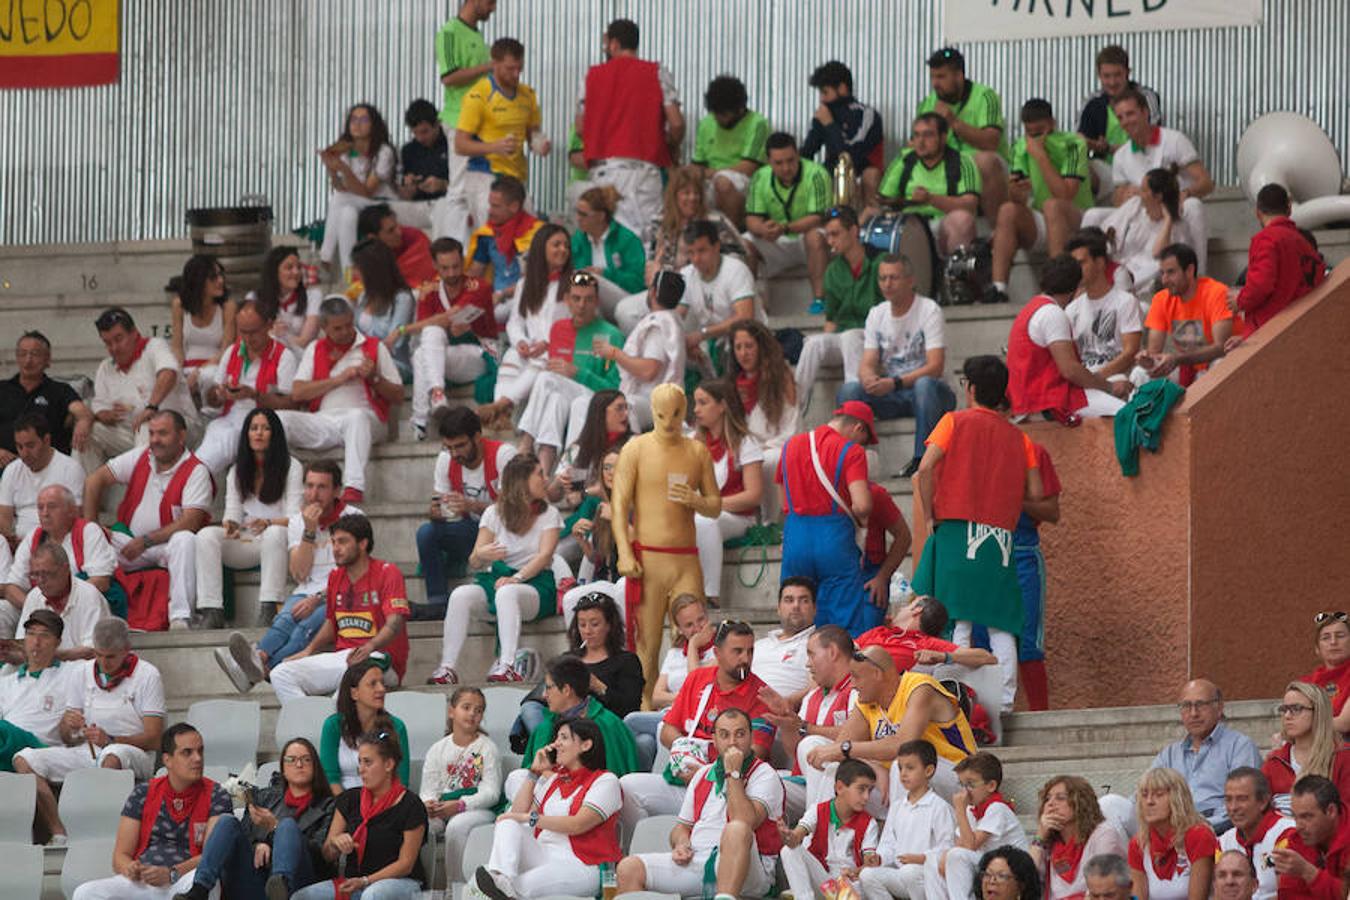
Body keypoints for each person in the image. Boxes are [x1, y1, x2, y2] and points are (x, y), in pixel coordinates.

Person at [912, 354, 1042, 711]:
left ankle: (957, 697)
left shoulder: (953, 421)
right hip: (1000, 537)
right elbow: (1035, 493)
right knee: (1001, 623)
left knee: (956, 618)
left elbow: (924, 470)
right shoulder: (1021, 438)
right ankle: (1004, 701)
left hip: (955, 530)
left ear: (969, 388)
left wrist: (928, 518)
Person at [611, 384, 720, 704]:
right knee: (647, 641)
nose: (669, 421)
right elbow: (619, 505)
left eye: (675, 414)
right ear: (652, 413)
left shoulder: (696, 451)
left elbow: (715, 505)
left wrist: (696, 500)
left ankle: (698, 699)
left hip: (685, 557)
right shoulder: (636, 448)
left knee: (696, 634)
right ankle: (645, 703)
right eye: (660, 415)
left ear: (684, 411)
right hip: (649, 559)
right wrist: (624, 552)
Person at [213, 460, 360, 692]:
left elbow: (356, 572)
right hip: (306, 590)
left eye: (322, 487)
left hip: (342, 593)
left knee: (304, 628)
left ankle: (256, 667)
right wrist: (309, 531)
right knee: (284, 620)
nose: (314, 494)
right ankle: (259, 657)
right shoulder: (298, 522)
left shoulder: (353, 518)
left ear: (337, 491)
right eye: (309, 486)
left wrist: (319, 598)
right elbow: (299, 573)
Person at [15, 617, 165, 843]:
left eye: (111, 657)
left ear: (126, 650)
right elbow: (66, 738)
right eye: (98, 655)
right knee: (24, 758)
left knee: (113, 754)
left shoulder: (147, 675)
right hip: (88, 750)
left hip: (135, 754)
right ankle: (59, 831)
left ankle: (108, 834)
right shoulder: (82, 672)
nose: (103, 663)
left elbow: (154, 738)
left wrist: (112, 739)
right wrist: (69, 724)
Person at [617, 621, 776, 834]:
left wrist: (708, 772)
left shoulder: (762, 695)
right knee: (627, 786)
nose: (745, 659)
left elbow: (757, 752)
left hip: (730, 789)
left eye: (750, 651)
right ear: (717, 653)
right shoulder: (697, 679)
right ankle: (634, 853)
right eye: (737, 651)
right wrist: (688, 752)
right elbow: (667, 730)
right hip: (687, 779)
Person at [615, 707, 786, 899]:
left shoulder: (765, 775)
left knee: (736, 829)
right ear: (714, 740)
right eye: (724, 735)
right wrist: (681, 843)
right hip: (698, 859)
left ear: (751, 737)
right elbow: (681, 828)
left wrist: (733, 774)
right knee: (629, 868)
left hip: (748, 867)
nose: (732, 742)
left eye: (740, 734)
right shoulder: (703, 774)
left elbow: (744, 821)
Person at [434, 453, 560, 684]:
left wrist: (518, 578)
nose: (546, 478)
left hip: (537, 586)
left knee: (507, 592)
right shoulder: (493, 513)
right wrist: (481, 554)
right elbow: (475, 560)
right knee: (461, 594)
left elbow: (544, 556)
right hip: (499, 581)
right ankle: (447, 668)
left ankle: (508, 664)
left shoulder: (549, 513)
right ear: (522, 481)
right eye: (539, 474)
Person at [801, 645, 975, 813]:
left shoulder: (920, 687)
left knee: (904, 763)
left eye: (855, 677)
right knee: (829, 764)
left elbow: (902, 745)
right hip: (899, 780)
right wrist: (875, 767)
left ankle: (899, 837)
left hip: (961, 780)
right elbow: (839, 751)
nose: (852, 685)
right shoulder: (867, 702)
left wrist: (845, 750)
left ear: (876, 674)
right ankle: (815, 835)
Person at [84, 410, 214, 630]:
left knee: (185, 539)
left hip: (167, 548)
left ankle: (180, 618)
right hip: (131, 544)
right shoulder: (141, 456)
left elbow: (191, 521)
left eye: (162, 433)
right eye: (152, 433)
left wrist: (146, 541)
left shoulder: (196, 470)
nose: (155, 440)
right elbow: (94, 481)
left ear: (181, 436)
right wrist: (91, 526)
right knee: (91, 538)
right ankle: (89, 615)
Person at [70, 724, 232, 900]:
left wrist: (172, 874)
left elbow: (211, 855)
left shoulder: (217, 794)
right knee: (85, 893)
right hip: (144, 881)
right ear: (167, 760)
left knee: (207, 882)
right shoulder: (143, 793)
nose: (198, 758)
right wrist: (130, 868)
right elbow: (120, 856)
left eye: (200, 751)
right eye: (187, 753)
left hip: (184, 880)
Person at [473, 718, 623, 900]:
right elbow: (517, 813)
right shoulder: (554, 780)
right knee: (508, 822)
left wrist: (530, 818)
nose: (555, 743)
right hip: (543, 854)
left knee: (520, 887)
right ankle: (501, 876)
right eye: (556, 737)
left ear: (586, 745)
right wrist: (534, 773)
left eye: (564, 737)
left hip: (581, 865)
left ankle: (505, 885)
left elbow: (578, 824)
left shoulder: (606, 781)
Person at [267, 513, 410, 703]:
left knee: (345, 692)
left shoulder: (387, 572)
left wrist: (370, 646)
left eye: (342, 542)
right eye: (333, 542)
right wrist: (308, 650)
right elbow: (331, 623)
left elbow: (395, 622)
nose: (335, 548)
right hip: (343, 658)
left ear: (363, 544)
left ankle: (327, 726)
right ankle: (310, 726)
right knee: (280, 673)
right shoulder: (336, 576)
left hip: (381, 658)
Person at [175, 737, 335, 900]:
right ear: (283, 768)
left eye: (306, 760)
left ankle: (280, 886)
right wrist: (258, 844)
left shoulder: (328, 805)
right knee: (226, 821)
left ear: (315, 766)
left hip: (297, 883)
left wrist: (274, 828)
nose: (299, 765)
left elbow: (321, 856)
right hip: (255, 881)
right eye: (291, 760)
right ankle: (199, 890)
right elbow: (242, 835)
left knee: (286, 825)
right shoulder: (264, 797)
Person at [839, 252, 954, 478]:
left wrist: (895, 382)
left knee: (924, 385)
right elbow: (867, 363)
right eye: (882, 278)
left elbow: (935, 366)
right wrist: (869, 378)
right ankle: (849, 462)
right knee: (850, 390)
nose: (887, 284)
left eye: (894, 278)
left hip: (931, 395)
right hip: (893, 393)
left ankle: (922, 461)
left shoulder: (929, 309)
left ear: (910, 281)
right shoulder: (876, 314)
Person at [576, 18, 684, 244]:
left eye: (606, 44)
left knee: (601, 242)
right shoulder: (657, 73)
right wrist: (670, 146)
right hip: (643, 173)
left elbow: (579, 127)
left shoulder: (591, 76)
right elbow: (676, 124)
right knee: (644, 243)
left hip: (603, 172)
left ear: (614, 44)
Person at [290, 296, 404, 504]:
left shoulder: (374, 346)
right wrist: (339, 379)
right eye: (337, 328)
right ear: (324, 327)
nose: (344, 332)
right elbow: (298, 393)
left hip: (368, 420)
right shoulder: (315, 348)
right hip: (325, 421)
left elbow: (398, 396)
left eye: (348, 325)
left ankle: (353, 487)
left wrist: (374, 378)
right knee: (276, 420)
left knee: (356, 417)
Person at [291, 730, 427, 900]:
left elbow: (406, 864)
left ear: (388, 765)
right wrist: (335, 843)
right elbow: (327, 854)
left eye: (368, 763)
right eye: (359, 762)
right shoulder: (349, 799)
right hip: (355, 882)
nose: (361, 770)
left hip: (401, 882)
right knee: (301, 897)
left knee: (372, 895)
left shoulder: (411, 804)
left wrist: (365, 881)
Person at [777, 400, 875, 634]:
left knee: (796, 615)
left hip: (796, 535)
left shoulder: (790, 445)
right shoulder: (851, 451)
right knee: (843, 624)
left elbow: (784, 504)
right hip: (834, 536)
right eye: (865, 439)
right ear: (858, 429)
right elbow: (861, 504)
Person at [196, 410, 300, 627]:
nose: (259, 433)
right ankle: (212, 610)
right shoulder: (237, 470)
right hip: (248, 539)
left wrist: (269, 522)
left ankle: (269, 607)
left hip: (279, 540)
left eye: (265, 428)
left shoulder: (292, 466)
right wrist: (230, 525)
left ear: (275, 433)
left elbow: (295, 517)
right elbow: (232, 512)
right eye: (254, 428)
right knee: (206, 535)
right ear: (247, 434)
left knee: (275, 533)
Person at [516, 271, 624, 475]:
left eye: (588, 299)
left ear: (597, 301)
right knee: (555, 398)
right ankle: (548, 474)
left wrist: (578, 373)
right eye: (576, 298)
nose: (582, 305)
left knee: (547, 379)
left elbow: (616, 389)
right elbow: (560, 381)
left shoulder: (612, 334)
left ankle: (526, 441)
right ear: (566, 300)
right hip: (568, 398)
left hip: (596, 400)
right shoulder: (558, 329)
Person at [987, 99, 1093, 303]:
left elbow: (1065, 194)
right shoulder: (1020, 146)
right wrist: (1016, 191)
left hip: (1077, 219)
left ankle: (1057, 285)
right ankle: (998, 288)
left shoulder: (1074, 144)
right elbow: (1016, 197)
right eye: (1030, 132)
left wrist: (1040, 156)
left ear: (1052, 123)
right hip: (1043, 220)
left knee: (1052, 206)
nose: (1035, 138)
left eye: (1040, 131)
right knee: (1008, 210)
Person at [416, 407, 515, 622]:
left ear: (477, 437)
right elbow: (439, 500)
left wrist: (474, 506)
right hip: (470, 531)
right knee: (426, 533)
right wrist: (435, 512)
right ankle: (438, 602)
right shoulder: (446, 459)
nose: (454, 454)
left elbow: (516, 509)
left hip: (504, 535)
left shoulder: (503, 454)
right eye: (449, 447)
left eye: (460, 446)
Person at [1007, 254, 1131, 419]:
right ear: (1077, 287)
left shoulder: (1032, 308)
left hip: (1029, 399)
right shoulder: (1052, 313)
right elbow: (1070, 370)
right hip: (1048, 400)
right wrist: (1109, 387)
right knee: (1128, 415)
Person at [477, 222, 572, 428]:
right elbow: (515, 322)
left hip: (558, 348)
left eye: (566, 245)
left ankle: (500, 405)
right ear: (541, 248)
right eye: (556, 245)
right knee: (512, 355)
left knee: (543, 359)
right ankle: (502, 415)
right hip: (532, 346)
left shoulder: (573, 283)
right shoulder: (525, 283)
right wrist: (521, 341)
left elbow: (574, 324)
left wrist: (547, 343)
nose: (563, 250)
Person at [192, 299, 300, 476]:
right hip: (227, 418)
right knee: (207, 449)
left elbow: (291, 404)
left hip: (260, 425)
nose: (248, 338)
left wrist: (253, 395)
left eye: (254, 332)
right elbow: (213, 398)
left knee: (221, 447)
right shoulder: (232, 351)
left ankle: (190, 482)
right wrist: (220, 394)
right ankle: (191, 479)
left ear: (269, 325)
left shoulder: (284, 356)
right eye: (243, 332)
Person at [1109, 90, 1213, 273]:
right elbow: (1117, 201)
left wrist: (1185, 193)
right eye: (1120, 117)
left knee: (1194, 206)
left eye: (1130, 113)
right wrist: (1126, 194)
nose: (1126, 121)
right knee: (1092, 215)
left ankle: (1199, 275)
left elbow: (1206, 182)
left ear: (1145, 112)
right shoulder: (1121, 155)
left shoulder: (1174, 140)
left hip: (1175, 209)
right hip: (1144, 213)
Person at [84, 307, 200, 470]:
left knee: (150, 428)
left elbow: (169, 372)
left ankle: (143, 491)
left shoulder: (154, 346)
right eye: (108, 343)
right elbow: (100, 406)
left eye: (119, 339)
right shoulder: (105, 367)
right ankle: (81, 493)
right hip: (131, 432)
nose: (114, 348)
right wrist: (104, 415)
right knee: (87, 434)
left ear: (134, 333)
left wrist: (151, 407)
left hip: (178, 429)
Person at [455, 37, 550, 231]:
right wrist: (494, 147)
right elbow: (460, 145)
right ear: (495, 63)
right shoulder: (478, 95)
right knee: (494, 236)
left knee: (530, 235)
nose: (516, 74)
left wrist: (539, 144)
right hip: (486, 177)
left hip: (516, 179)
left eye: (519, 68)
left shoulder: (528, 94)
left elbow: (533, 133)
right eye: (510, 68)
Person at [407, 237, 495, 438]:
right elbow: (433, 326)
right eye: (445, 268)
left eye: (456, 266)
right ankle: (434, 400)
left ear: (463, 261)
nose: (452, 273)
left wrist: (403, 330)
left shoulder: (477, 286)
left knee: (424, 347)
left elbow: (449, 316)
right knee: (426, 342)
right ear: (434, 265)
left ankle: (421, 419)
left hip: (482, 354)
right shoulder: (428, 291)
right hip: (444, 358)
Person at [511, 653, 640, 791]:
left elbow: (612, 780)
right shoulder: (544, 728)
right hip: (544, 801)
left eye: (548, 687)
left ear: (566, 690)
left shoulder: (607, 725)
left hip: (591, 799)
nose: (543, 695)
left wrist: (554, 778)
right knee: (517, 778)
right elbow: (531, 775)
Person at [1149, 679, 1262, 829]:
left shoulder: (1239, 746)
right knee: (1113, 805)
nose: (1193, 713)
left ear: (1219, 707)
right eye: (1186, 706)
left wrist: (1197, 827)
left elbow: (1243, 804)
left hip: (1218, 833)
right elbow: (1142, 797)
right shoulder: (1169, 755)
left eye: (1201, 705)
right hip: (1172, 831)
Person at [795, 205, 877, 412]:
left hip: (874, 340)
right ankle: (794, 408)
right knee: (813, 343)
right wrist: (826, 344)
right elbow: (831, 320)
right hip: (845, 338)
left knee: (850, 337)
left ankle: (853, 404)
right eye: (828, 235)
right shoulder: (832, 270)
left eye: (835, 234)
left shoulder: (879, 262)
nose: (830, 241)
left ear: (854, 231)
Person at [690, 380, 763, 608]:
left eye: (703, 403)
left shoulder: (745, 442)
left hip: (738, 517)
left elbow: (753, 496)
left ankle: (710, 595)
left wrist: (709, 504)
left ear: (722, 406)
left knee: (706, 521)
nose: (696, 409)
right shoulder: (694, 444)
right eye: (695, 403)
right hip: (700, 511)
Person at [624, 594, 716, 772]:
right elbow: (656, 697)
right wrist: (684, 697)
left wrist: (693, 646)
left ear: (708, 617)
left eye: (701, 620)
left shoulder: (719, 650)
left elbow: (696, 681)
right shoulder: (674, 654)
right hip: (669, 713)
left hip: (694, 717)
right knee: (645, 741)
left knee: (631, 720)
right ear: (680, 629)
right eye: (689, 625)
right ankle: (645, 781)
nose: (697, 628)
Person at [420, 686, 503, 884]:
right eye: (466, 707)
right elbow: (428, 790)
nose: (473, 713)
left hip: (477, 809)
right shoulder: (437, 750)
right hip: (442, 809)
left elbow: (491, 792)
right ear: (451, 711)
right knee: (420, 822)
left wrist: (460, 805)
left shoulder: (487, 748)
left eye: (479, 710)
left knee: (457, 825)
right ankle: (424, 884)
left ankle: (454, 887)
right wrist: (430, 805)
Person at [858, 739, 958, 900]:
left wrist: (922, 858)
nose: (903, 774)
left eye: (910, 768)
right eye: (900, 768)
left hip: (927, 877)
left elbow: (948, 849)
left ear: (928, 770)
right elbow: (888, 843)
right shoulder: (897, 807)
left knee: (909, 871)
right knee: (868, 875)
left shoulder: (939, 807)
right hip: (902, 875)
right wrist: (879, 857)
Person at [916, 47, 1008, 218]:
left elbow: (991, 143)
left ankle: (997, 231)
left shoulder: (985, 96)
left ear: (959, 76)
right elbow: (915, 145)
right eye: (933, 77)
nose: (935, 84)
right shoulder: (929, 102)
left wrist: (953, 122)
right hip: (946, 165)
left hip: (983, 165)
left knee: (986, 161)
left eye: (941, 77)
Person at [2, 485, 115, 624]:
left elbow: (101, 581)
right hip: (41, 610)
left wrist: (63, 604)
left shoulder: (88, 531)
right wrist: (38, 607)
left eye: (52, 506)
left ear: (72, 510)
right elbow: (11, 587)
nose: (45, 513)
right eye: (40, 507)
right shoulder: (33, 536)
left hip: (80, 605)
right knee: (3, 610)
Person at [641, 165, 748, 311]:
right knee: (625, 310)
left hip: (704, 290)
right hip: (665, 289)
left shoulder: (716, 221)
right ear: (675, 195)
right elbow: (651, 263)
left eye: (696, 193)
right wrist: (655, 272)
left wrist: (704, 267)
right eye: (686, 193)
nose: (692, 198)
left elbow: (738, 259)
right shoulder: (659, 223)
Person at [743, 131, 832, 307]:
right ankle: (749, 304)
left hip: (807, 239)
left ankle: (820, 301)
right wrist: (762, 229)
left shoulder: (816, 174)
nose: (786, 168)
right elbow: (751, 218)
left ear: (798, 155)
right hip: (777, 239)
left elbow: (818, 217)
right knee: (745, 242)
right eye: (779, 163)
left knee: (815, 235)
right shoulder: (760, 177)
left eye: (791, 160)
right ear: (768, 162)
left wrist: (784, 228)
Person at [433, 0, 495, 244]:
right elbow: (449, 77)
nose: (493, 8)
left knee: (478, 189)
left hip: (479, 123)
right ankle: (452, 254)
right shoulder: (449, 32)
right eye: (490, 2)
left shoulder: (478, 37)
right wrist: (488, 66)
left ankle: (477, 249)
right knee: (458, 191)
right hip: (459, 120)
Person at [926, 752, 1028, 900]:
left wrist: (959, 810)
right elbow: (959, 843)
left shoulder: (997, 808)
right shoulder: (970, 810)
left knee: (956, 856)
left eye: (970, 784)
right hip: (988, 865)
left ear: (991, 785)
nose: (965, 792)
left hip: (1011, 867)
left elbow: (969, 846)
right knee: (933, 860)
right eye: (962, 785)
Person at [877, 112, 981, 256]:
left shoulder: (962, 161)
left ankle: (956, 275)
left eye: (928, 135)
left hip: (942, 224)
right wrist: (906, 202)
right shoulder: (904, 159)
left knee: (962, 219)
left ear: (943, 138)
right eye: (917, 135)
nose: (920, 141)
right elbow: (883, 200)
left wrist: (930, 199)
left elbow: (969, 205)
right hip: (908, 224)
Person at [1231, 183, 1326, 335]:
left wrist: (1240, 301)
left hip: (1270, 333)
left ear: (1258, 213)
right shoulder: (1304, 243)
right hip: (1303, 329)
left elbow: (1260, 285)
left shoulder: (1266, 239)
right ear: (1289, 208)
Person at [780, 758, 882, 899]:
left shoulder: (869, 823)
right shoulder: (818, 810)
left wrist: (855, 872)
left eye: (869, 791)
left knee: (859, 886)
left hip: (849, 886)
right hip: (823, 882)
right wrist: (788, 836)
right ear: (839, 787)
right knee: (788, 850)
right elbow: (796, 837)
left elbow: (869, 866)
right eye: (861, 789)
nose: (866, 797)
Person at [1134, 244, 1233, 387]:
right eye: (1162, 273)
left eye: (1171, 272)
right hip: (1184, 368)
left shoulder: (1216, 292)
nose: (1164, 280)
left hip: (1214, 366)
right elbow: (1154, 352)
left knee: (1220, 365)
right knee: (1139, 373)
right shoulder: (1161, 299)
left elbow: (1221, 347)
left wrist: (1177, 359)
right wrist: (1148, 360)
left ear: (1190, 270)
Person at [727, 319, 798, 517]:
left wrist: (760, 449)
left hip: (776, 446)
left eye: (749, 346)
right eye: (738, 347)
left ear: (761, 347)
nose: (743, 353)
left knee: (767, 460)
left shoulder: (781, 376)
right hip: (744, 448)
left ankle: (771, 521)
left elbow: (791, 426)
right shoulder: (732, 382)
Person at [600, 269, 686, 430]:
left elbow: (649, 370)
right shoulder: (672, 319)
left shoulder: (659, 324)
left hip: (653, 401)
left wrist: (615, 353)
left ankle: (631, 454)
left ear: (653, 292)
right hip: (664, 400)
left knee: (624, 408)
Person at [1010, 442, 1061, 711]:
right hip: (979, 556)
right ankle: (985, 719)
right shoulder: (964, 449)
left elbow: (1052, 512)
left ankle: (1040, 716)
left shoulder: (1031, 451)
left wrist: (1014, 497)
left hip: (1021, 554)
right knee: (980, 641)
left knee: (1028, 641)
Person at [318, 103, 396, 272]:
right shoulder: (346, 151)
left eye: (364, 119)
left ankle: (325, 254)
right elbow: (340, 187)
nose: (357, 124)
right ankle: (350, 271)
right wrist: (331, 169)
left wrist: (344, 169)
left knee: (340, 199)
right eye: (353, 119)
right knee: (347, 214)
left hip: (381, 204)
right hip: (356, 203)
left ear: (373, 125)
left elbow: (367, 192)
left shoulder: (383, 151)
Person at [801, 60, 886, 212]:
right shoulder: (824, 115)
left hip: (859, 173)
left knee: (864, 175)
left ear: (842, 88)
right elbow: (807, 152)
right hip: (829, 173)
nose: (821, 99)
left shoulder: (866, 114)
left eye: (825, 92)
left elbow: (850, 157)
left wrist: (830, 125)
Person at [679, 220, 763, 371]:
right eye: (691, 253)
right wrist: (684, 343)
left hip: (748, 342)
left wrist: (701, 335)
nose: (696, 259)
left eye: (702, 251)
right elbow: (675, 317)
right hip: (713, 342)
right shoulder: (686, 275)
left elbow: (745, 317)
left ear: (717, 247)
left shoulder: (736, 270)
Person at [1031, 776, 1130, 900]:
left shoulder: (1104, 834)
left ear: (1081, 803)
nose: (1050, 803)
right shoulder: (1048, 842)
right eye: (1047, 799)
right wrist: (1040, 836)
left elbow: (1103, 889)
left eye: (1060, 798)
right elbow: (1027, 883)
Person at [320, 661, 412, 791]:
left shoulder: (396, 726)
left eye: (382, 683)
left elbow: (401, 780)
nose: (381, 689)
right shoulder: (334, 725)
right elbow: (330, 778)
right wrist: (346, 808)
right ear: (354, 693)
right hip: (342, 802)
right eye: (373, 684)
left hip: (386, 804)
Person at [1128, 767, 1218, 900]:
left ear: (1178, 799)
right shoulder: (1138, 844)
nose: (1149, 801)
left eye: (1158, 794)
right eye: (1144, 795)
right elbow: (1137, 898)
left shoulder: (1199, 835)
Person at [0, 330, 92, 459]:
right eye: (22, 354)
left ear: (47, 359)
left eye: (35, 354)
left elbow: (81, 410)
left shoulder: (60, 390)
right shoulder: (3, 389)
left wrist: (84, 421)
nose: (28, 360)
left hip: (46, 467)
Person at [1064, 231, 1144, 378]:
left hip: (1119, 379)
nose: (1075, 269)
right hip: (1086, 383)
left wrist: (1097, 379)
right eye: (1073, 264)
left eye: (1081, 263)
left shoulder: (1125, 302)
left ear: (1100, 263)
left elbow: (1130, 352)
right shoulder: (1071, 309)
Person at [9, 543, 109, 660]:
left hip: (82, 671)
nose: (40, 581)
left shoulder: (90, 596)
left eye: (47, 574)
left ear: (66, 569)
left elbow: (93, 651)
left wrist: (48, 655)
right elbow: (22, 642)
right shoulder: (34, 596)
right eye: (35, 575)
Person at [1263, 681, 1350, 815]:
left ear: (1318, 712)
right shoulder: (1274, 761)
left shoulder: (1344, 757)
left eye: (1296, 709)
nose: (1287, 716)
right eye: (1284, 709)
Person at [0, 610, 72, 770]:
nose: (36, 642)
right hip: (7, 744)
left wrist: (67, 654)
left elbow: (98, 653)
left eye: (44, 635)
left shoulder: (71, 673)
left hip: (41, 746)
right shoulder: (6, 682)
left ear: (58, 642)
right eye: (31, 634)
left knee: (3, 729)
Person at [692, 74, 768, 227]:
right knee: (682, 183)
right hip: (710, 179)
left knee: (723, 182)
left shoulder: (757, 124)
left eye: (724, 115)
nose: (719, 119)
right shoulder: (706, 123)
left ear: (740, 109)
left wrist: (711, 173)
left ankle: (730, 235)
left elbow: (748, 167)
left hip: (744, 182)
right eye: (716, 114)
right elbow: (697, 165)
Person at [1077, 45, 1163, 179]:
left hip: (1145, 166)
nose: (1112, 82)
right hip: (1106, 170)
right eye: (1106, 76)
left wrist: (1108, 149)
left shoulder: (1147, 97)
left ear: (1128, 72)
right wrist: (1091, 144)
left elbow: (1152, 139)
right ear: (1098, 75)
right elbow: (1079, 141)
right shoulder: (1091, 102)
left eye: (1117, 75)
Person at [856, 594, 998, 675]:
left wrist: (944, 656)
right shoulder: (878, 632)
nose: (901, 609)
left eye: (907, 606)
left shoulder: (927, 643)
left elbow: (987, 658)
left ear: (916, 610)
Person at [0, 412, 85, 543]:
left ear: (46, 440)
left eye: (30, 446)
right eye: (19, 446)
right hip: (18, 542)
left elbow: (75, 517)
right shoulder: (12, 470)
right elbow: (4, 517)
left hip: (57, 542)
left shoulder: (71, 469)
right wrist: (11, 538)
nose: (24, 453)